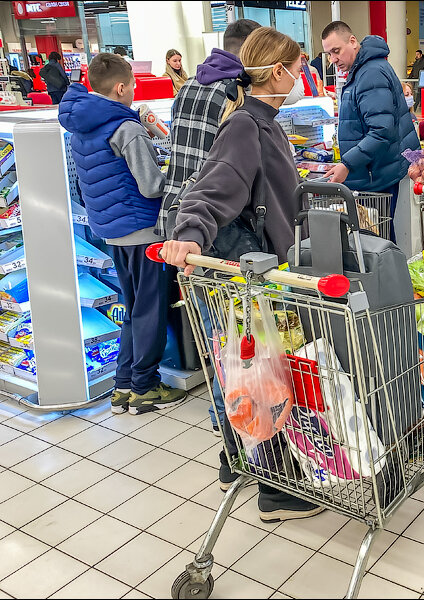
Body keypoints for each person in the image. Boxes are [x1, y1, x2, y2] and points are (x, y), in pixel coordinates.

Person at [160, 27, 326, 523]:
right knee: (263, 379)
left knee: (247, 372)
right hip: (249, 277)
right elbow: (214, 187)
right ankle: (276, 492)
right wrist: (190, 231)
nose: (301, 78)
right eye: (297, 70)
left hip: (264, 270)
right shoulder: (246, 126)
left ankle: (237, 462)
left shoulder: (264, 121)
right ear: (277, 71)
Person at [58, 54, 187, 416]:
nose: (133, 91)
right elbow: (150, 186)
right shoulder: (126, 128)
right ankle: (145, 388)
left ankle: (124, 387)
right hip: (143, 232)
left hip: (111, 231)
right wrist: (176, 179)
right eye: (131, 85)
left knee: (133, 310)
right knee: (150, 310)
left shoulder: (81, 126)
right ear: (120, 87)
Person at [160, 19, 261, 238]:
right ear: (253, 49)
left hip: (176, 209)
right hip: (214, 218)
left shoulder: (187, 85)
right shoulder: (238, 92)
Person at [321, 20, 420, 241]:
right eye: (328, 54)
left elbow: (381, 131)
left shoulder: (370, 74)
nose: (333, 59)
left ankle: (389, 277)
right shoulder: (364, 70)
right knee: (377, 238)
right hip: (375, 171)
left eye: (336, 51)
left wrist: (347, 164)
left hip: (377, 175)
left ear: (353, 41)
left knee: (377, 242)